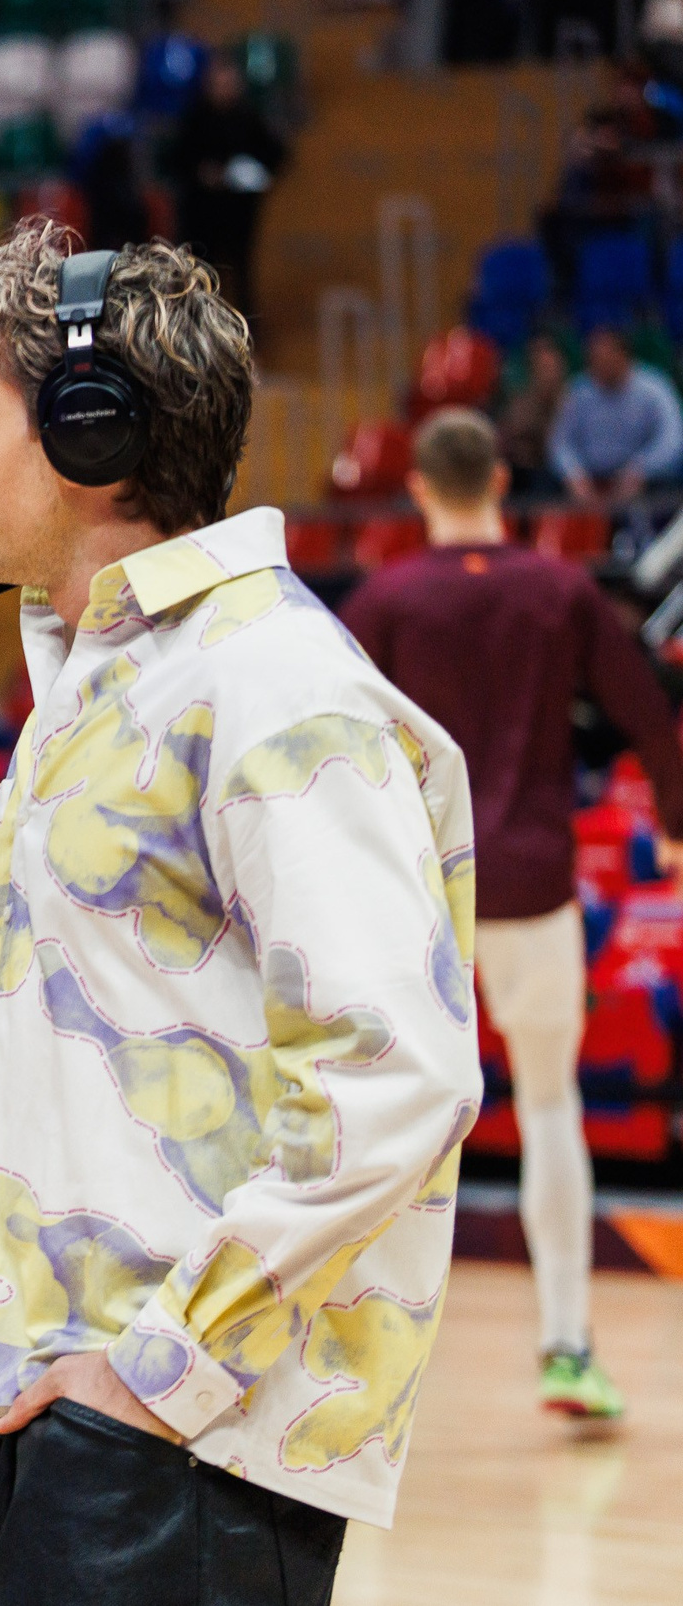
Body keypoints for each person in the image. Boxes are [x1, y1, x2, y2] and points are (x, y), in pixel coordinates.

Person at [0, 224, 483, 1604]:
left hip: (173, 1454)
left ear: (91, 433)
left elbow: (399, 1078)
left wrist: (155, 1377)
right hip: (56, 1420)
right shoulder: (106, 677)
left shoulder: (272, 684)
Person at [341, 406, 683, 1421]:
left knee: (390, 1128)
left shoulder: (387, 597)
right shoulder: (555, 586)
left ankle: (362, 1367)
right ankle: (567, 1345)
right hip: (532, 881)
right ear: (500, 480)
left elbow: (326, 733)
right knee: (547, 1109)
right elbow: (646, 708)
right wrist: (672, 814)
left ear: (417, 492)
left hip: (417, 894)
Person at [169, 55, 285, 322]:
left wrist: (253, 174)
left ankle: (246, 333)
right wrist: (203, 174)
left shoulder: (247, 117)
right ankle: (198, 328)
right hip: (203, 215)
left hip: (239, 212)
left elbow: (275, 154)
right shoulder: (195, 119)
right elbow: (178, 160)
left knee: (241, 275)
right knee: (201, 275)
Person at [551, 325, 683, 503]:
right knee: (546, 486)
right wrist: (573, 473)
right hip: (591, 478)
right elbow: (560, 442)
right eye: (593, 359)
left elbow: (672, 439)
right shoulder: (580, 390)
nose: (596, 365)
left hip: (643, 478)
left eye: (603, 359)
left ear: (622, 355)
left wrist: (642, 469)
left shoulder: (654, 388)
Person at [497, 334, 572, 493]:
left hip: (567, 473)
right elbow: (512, 442)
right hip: (528, 474)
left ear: (561, 367)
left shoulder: (575, 400)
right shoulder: (521, 403)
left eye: (551, 367)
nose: (547, 374)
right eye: (542, 367)